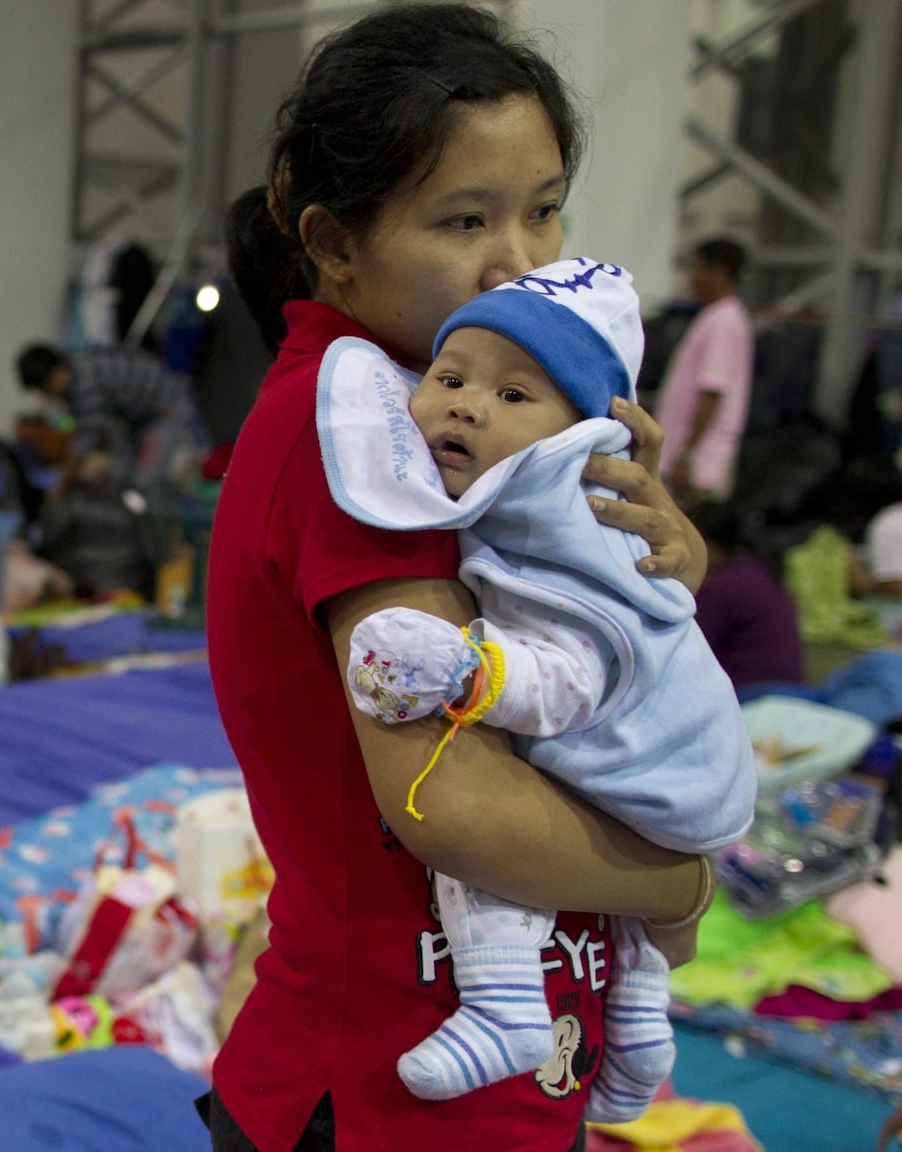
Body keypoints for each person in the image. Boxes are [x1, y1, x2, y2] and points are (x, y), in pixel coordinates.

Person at [205, 7, 714, 1150]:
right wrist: (679, 882)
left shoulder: (468, 428)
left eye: (542, 209)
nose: (522, 263)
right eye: (463, 220)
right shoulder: (359, 439)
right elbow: (451, 799)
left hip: (497, 1068)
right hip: (392, 1082)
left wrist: (660, 564)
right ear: (333, 241)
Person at [320, 260, 754, 1114]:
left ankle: (507, 1004)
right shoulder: (525, 501)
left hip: (663, 766)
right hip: (681, 791)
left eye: (515, 398)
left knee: (497, 833)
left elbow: (571, 679)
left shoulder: (571, 525)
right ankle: (636, 1021)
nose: (467, 405)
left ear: (581, 434)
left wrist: (474, 673)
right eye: (448, 379)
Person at [14, 341, 199, 490]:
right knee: (122, 472)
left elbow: (83, 440)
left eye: (46, 388)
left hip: (167, 408)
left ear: (55, 374)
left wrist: (60, 486)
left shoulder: (85, 381)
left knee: (145, 480)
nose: (49, 395)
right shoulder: (78, 363)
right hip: (144, 417)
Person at [653, 238, 753, 503]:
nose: (691, 278)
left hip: (699, 464)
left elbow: (712, 391)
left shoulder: (724, 321)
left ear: (718, 272)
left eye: (696, 269)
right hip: (687, 459)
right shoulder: (714, 317)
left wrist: (687, 454)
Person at [692, 502, 805, 688]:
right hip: (787, 691)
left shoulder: (726, 585)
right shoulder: (757, 571)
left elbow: (689, 650)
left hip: (753, 695)